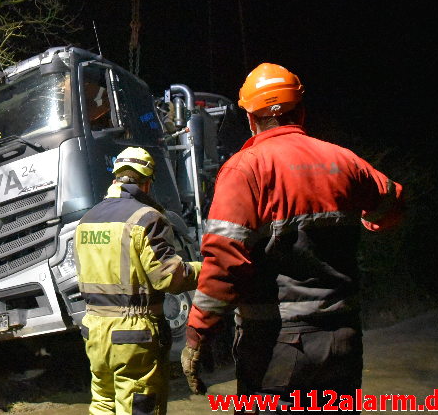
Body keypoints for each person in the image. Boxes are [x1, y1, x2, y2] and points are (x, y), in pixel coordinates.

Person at [180, 63, 404, 412]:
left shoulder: (246, 168)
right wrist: (365, 218)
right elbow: (392, 205)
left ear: (251, 119)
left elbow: (224, 262)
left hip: (277, 343)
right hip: (341, 337)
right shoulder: (343, 161)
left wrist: (197, 334)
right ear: (300, 111)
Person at [74, 146, 202, 415]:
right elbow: (169, 278)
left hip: (94, 331)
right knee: (139, 407)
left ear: (115, 178)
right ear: (147, 183)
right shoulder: (147, 218)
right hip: (133, 335)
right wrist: (207, 269)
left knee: (103, 403)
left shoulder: (85, 222)